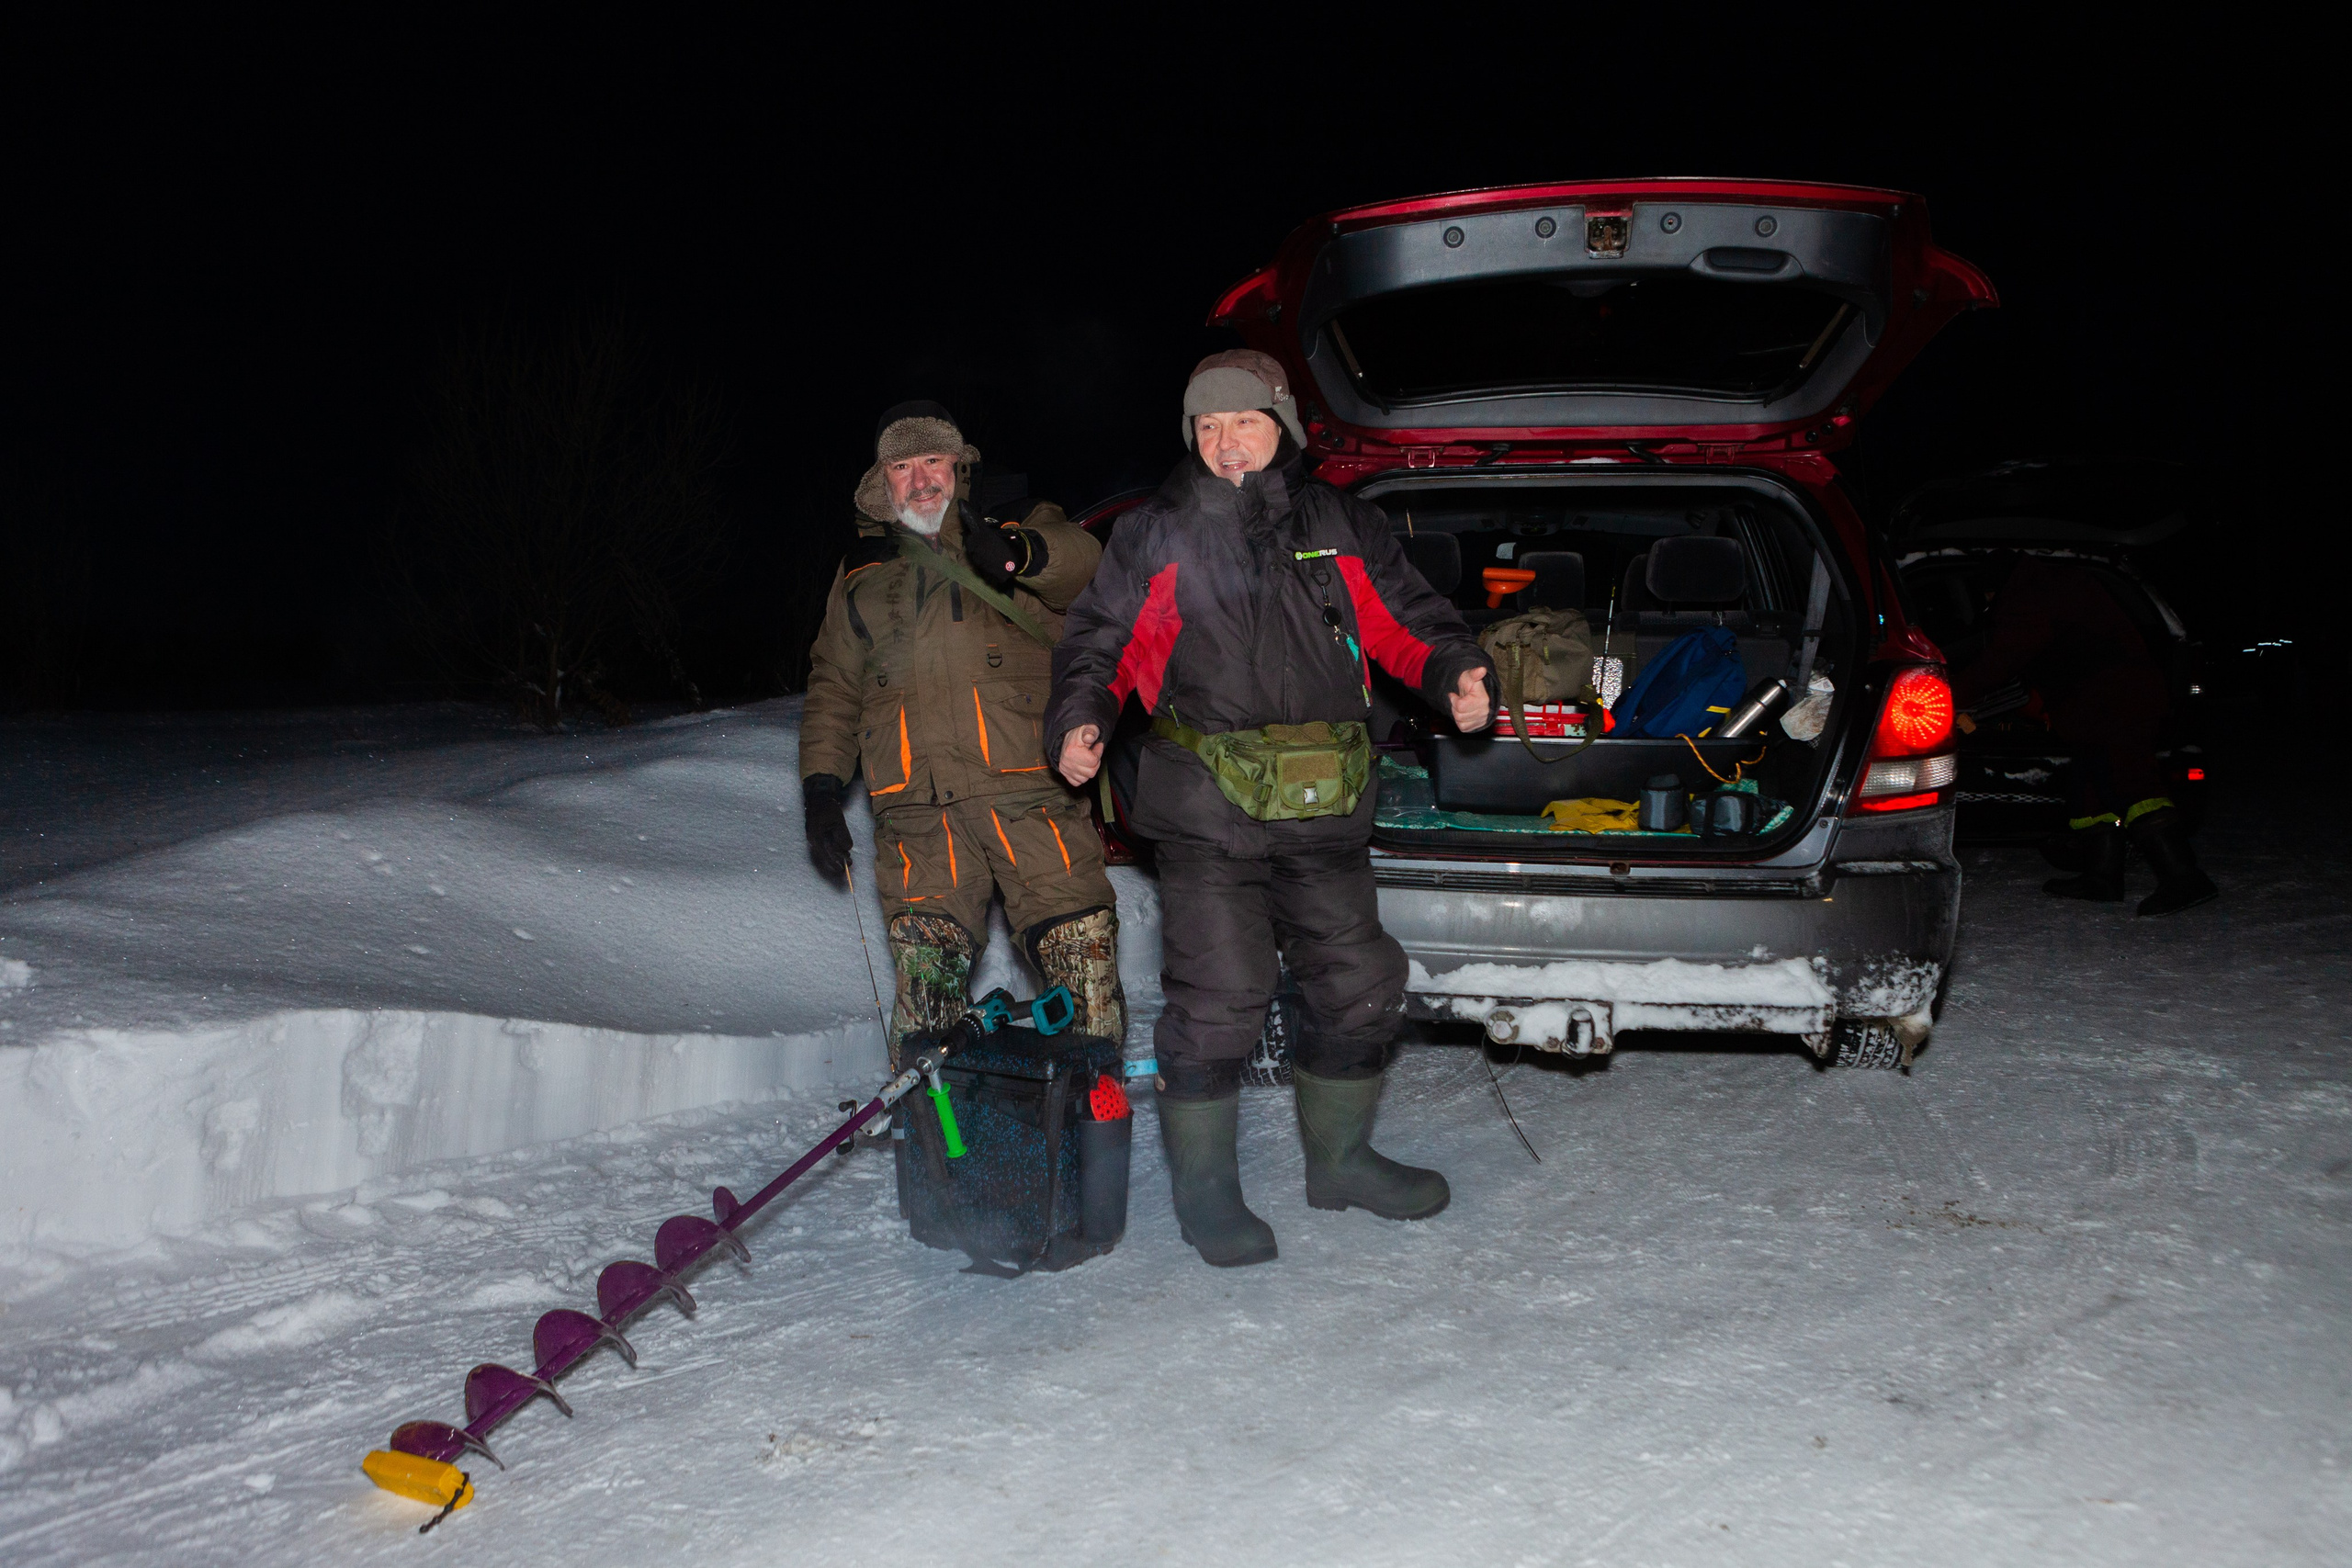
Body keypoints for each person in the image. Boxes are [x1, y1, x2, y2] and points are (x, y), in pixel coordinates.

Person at [1046, 350, 1493, 1268]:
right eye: (1205, 427)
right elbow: (1103, 640)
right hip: (1207, 810)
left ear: (1281, 424)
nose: (1224, 444)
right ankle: (1209, 1196)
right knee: (1220, 1002)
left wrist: (1454, 671)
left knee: (1362, 984)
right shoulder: (1157, 533)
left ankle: (1342, 1161)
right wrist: (1082, 717)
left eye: (1242, 421)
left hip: (1324, 806)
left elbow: (1406, 620)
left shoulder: (1340, 524)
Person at [800, 400, 1125, 1063]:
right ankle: (939, 1158)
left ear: (959, 466)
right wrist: (821, 788)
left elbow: (1088, 564)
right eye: (902, 466)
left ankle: (1092, 1133)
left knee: (1084, 984)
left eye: (932, 460)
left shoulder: (1018, 522)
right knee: (926, 1016)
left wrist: (1019, 552)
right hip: (917, 819)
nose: (920, 480)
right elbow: (834, 683)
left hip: (1031, 798)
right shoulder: (860, 572)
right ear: (882, 483)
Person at [1951, 555, 2216, 916]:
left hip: (2114, 703)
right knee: (2090, 793)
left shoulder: (2031, 592)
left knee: (2133, 787)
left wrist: (1949, 694)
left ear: (1993, 585)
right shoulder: (2051, 581)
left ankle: (2185, 877)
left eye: (1986, 596)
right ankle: (2102, 878)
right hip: (2104, 704)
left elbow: (2006, 656)